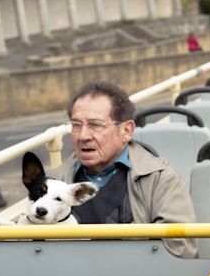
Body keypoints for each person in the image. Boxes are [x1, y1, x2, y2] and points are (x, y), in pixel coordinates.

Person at [59, 81, 196, 257]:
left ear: (127, 131)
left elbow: (180, 249)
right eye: (76, 125)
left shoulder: (159, 179)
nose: (83, 136)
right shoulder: (55, 181)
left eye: (95, 125)